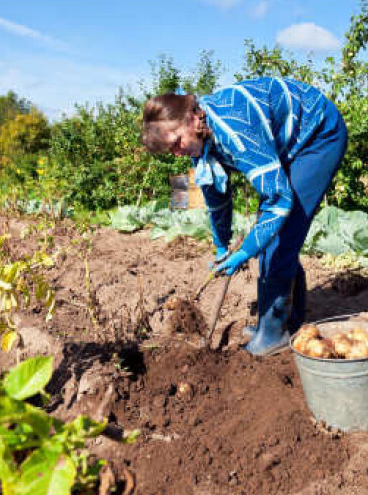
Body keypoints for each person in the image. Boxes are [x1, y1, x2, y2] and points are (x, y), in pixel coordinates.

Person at [141, 77, 347, 356]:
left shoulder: (234, 131)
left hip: (318, 135)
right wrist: (222, 244)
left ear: (191, 118)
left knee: (280, 233)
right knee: (275, 236)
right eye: (171, 150)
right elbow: (216, 196)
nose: (178, 153)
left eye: (177, 142)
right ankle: (287, 322)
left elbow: (279, 201)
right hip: (287, 143)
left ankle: (273, 333)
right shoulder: (200, 138)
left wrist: (246, 251)